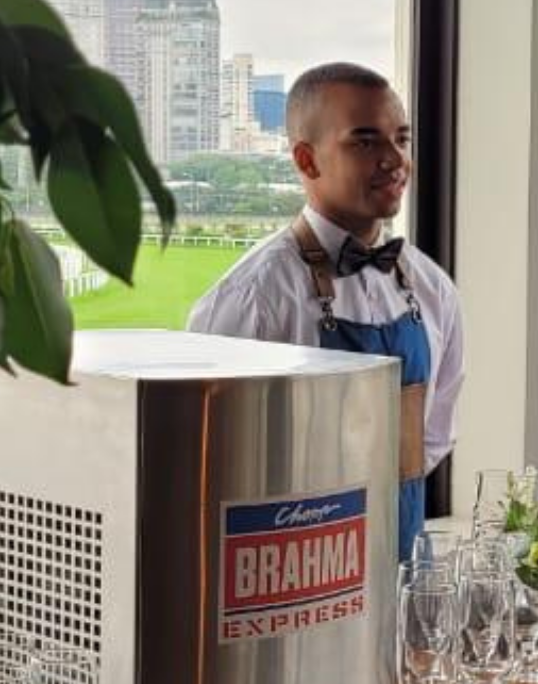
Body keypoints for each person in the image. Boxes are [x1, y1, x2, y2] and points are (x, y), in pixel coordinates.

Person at [187, 61, 463, 559]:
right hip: (288, 585)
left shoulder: (433, 288)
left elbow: (434, 437)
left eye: (401, 139)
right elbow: (212, 469)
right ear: (306, 160)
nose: (394, 159)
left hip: (402, 571)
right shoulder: (252, 298)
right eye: (365, 141)